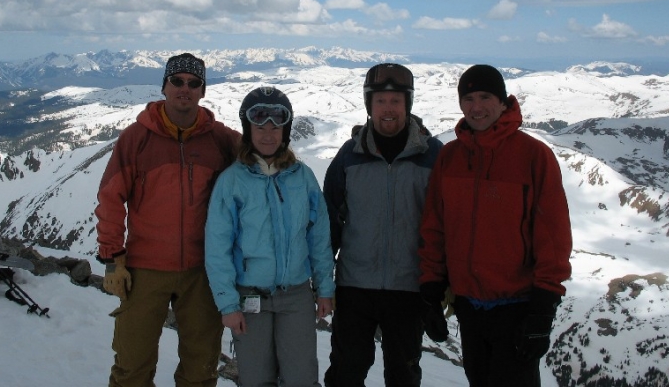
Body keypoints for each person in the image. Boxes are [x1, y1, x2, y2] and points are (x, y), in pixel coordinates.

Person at [419, 64, 573, 387]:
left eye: (485, 97)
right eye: (469, 98)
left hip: (516, 310)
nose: (476, 107)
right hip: (469, 310)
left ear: (503, 102)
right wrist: (431, 290)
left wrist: (543, 309)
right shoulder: (450, 158)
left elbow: (553, 238)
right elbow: (435, 229)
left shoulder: (534, 157)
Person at [95, 52, 241, 387]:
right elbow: (111, 198)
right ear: (164, 86)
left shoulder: (220, 139)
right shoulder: (136, 139)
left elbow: (262, 159)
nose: (184, 88)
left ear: (203, 91)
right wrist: (113, 258)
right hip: (145, 267)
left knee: (201, 367)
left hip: (203, 270)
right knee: (132, 363)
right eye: (177, 81)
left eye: (194, 83)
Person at [205, 86, 335, 387]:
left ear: (285, 132)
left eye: (276, 127)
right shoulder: (232, 182)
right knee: (256, 378)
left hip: (296, 295)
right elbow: (217, 247)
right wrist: (228, 305)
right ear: (247, 129)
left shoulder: (302, 177)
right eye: (259, 126)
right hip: (250, 296)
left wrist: (325, 287)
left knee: (301, 377)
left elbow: (318, 236)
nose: (268, 134)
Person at [323, 63, 444, 387]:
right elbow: (328, 222)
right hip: (354, 287)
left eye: (395, 101)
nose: (388, 109)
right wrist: (321, 280)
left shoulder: (432, 156)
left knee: (403, 376)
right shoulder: (350, 156)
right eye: (380, 101)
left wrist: (441, 284)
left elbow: (445, 225)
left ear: (408, 104)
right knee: (345, 373)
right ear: (369, 105)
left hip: (408, 288)